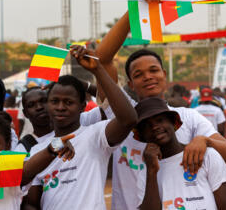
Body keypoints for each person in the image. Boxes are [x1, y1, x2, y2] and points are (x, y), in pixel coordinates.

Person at [88, 0, 226, 210]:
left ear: (164, 75)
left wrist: (205, 141)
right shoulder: (122, 114)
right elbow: (101, 59)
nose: (148, 77)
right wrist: (134, 12)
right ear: (130, 84)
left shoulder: (188, 117)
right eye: (138, 75)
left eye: (153, 70)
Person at [23, 46, 139, 210]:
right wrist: (53, 148)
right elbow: (31, 202)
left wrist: (98, 69)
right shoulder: (38, 151)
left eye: (68, 102)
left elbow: (128, 119)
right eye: (55, 101)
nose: (61, 107)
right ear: (47, 105)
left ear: (82, 106)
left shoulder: (96, 135)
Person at [136, 97, 226, 210]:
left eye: (160, 120)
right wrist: (152, 172)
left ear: (173, 123)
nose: (155, 127)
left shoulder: (207, 156)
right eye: (147, 125)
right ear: (142, 135)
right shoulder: (145, 173)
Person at [15, 87, 54, 153]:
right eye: (31, 105)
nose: (39, 107)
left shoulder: (69, 132)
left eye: (43, 101)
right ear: (25, 113)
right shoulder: (22, 149)